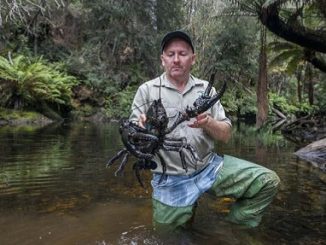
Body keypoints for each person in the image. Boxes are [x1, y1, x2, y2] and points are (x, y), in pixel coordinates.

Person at [129, 30, 280, 231]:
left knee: (267, 181)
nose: (176, 59)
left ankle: (234, 230)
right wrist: (139, 130)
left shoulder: (205, 89)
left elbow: (225, 135)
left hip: (209, 167)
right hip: (171, 178)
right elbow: (132, 138)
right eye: (170, 54)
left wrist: (208, 122)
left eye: (182, 54)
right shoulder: (147, 90)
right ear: (162, 59)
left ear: (193, 59)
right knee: (167, 238)